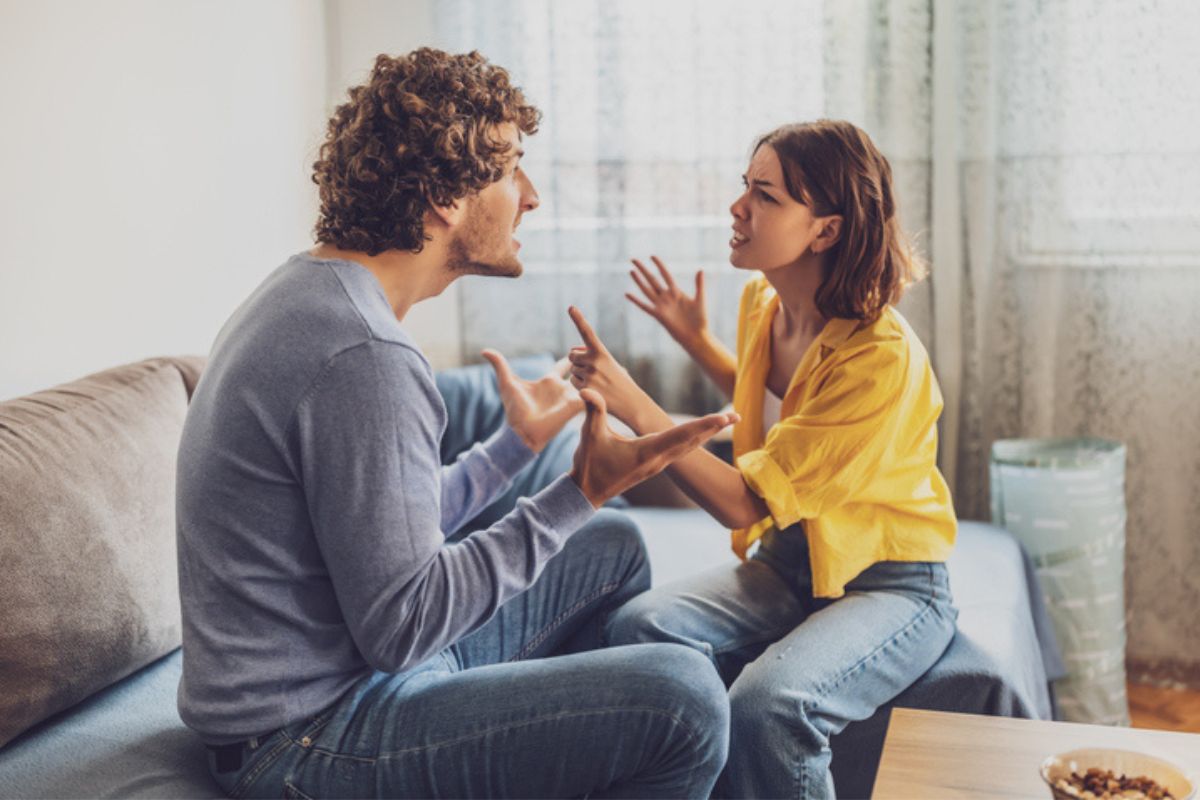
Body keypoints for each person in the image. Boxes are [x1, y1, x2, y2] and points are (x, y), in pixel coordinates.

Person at [175, 48, 738, 799]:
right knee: (685, 700)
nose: (530, 196)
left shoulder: (311, 294)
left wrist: (514, 450)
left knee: (612, 547)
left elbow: (378, 531)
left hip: (343, 682)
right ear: (444, 197)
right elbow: (403, 624)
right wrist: (579, 490)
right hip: (305, 739)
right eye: (511, 170)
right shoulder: (364, 354)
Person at [567, 119, 959, 798]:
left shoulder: (880, 358)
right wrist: (697, 340)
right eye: (745, 187)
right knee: (639, 626)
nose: (737, 207)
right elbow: (783, 407)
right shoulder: (764, 302)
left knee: (770, 705)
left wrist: (637, 405)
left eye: (766, 196)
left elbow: (746, 499)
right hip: (787, 563)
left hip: (889, 583)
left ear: (825, 230)